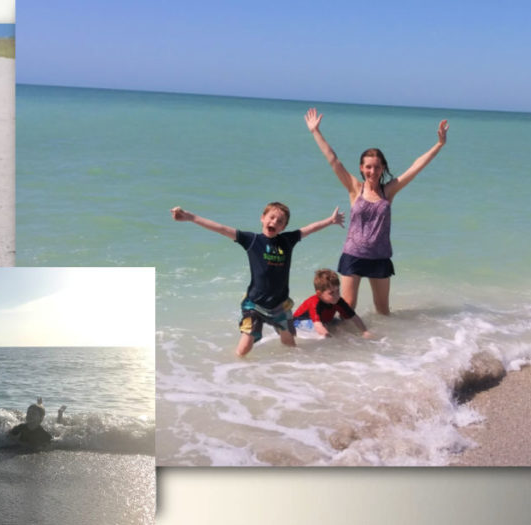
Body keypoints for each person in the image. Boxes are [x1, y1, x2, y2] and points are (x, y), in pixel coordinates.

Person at [305, 107, 448, 315]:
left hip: (379, 256)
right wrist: (315, 132)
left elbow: (415, 167)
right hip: (353, 255)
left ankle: (383, 346)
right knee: (347, 309)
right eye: (369, 167)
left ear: (382, 169)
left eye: (377, 167)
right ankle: (341, 344)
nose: (373, 171)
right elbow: (334, 161)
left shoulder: (388, 191)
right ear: (362, 168)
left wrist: (439, 145)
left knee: (383, 311)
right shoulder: (355, 188)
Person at [170, 202, 344, 357]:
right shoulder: (252, 240)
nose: (274, 222)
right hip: (254, 305)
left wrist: (330, 221)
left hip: (280, 304)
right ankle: (235, 369)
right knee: (245, 347)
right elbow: (221, 228)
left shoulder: (287, 241)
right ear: (262, 218)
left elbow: (310, 229)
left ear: (284, 227)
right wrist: (190, 217)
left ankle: (291, 370)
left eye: (280, 221)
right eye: (272, 217)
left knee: (290, 343)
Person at [293, 269, 372, 339]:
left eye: (338, 291)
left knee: (343, 324)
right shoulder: (314, 303)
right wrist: (331, 340)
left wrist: (365, 331)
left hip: (323, 320)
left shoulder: (338, 300)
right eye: (331, 293)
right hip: (299, 322)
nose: (336, 295)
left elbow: (354, 316)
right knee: (322, 328)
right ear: (319, 293)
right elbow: (317, 325)